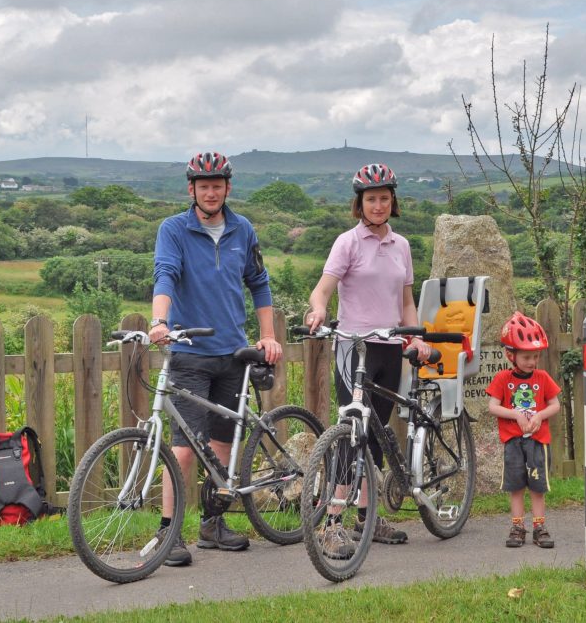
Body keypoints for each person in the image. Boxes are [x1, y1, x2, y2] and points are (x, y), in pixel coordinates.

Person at [149, 151, 283, 566]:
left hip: (234, 353)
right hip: (189, 354)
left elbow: (258, 283)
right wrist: (159, 320)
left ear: (227, 188)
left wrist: (268, 336)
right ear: (191, 190)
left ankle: (212, 523)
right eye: (203, 185)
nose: (211, 191)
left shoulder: (243, 229)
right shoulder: (173, 229)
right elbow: (165, 273)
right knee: (184, 449)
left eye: (217, 185)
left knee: (223, 443)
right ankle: (169, 532)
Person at [306, 162, 431, 557]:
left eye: (384, 198)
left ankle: (368, 518)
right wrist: (318, 311)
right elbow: (322, 290)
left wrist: (415, 337)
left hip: (390, 348)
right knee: (352, 432)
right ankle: (332, 525)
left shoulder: (402, 246)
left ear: (393, 201)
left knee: (376, 435)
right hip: (353, 346)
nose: (378, 205)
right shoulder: (348, 242)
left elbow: (406, 301)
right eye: (370, 199)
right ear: (358, 204)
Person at [485, 311, 562, 548]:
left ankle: (540, 527)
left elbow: (555, 405)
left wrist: (539, 415)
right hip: (513, 443)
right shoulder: (501, 379)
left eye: (535, 356)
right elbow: (492, 407)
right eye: (526, 357)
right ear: (511, 355)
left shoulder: (543, 377)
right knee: (516, 487)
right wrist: (515, 414)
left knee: (537, 488)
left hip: (538, 443)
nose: (532, 362)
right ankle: (518, 526)